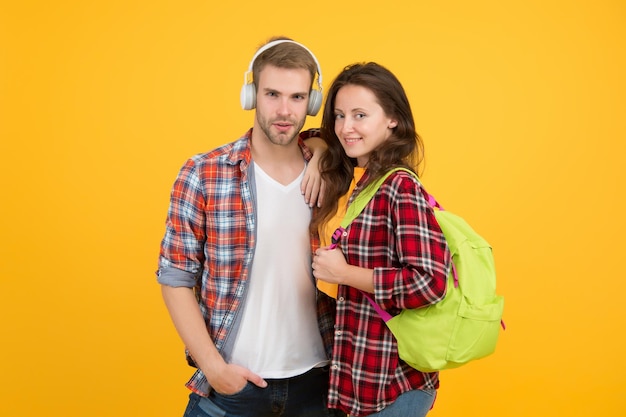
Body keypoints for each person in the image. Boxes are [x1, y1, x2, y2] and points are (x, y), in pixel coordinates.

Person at [157, 36, 344, 417]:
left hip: (316, 383)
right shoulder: (203, 173)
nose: (284, 110)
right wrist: (214, 368)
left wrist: (324, 151)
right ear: (251, 94)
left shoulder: (331, 174)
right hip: (232, 386)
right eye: (272, 94)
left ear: (311, 102)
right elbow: (175, 278)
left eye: (296, 97)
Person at [310, 62, 453, 417]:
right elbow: (306, 134)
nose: (346, 128)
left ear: (392, 118)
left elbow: (431, 282)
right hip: (361, 382)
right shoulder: (366, 182)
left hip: (394, 386)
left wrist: (345, 274)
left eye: (360, 115)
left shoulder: (399, 186)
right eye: (340, 116)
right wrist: (316, 154)